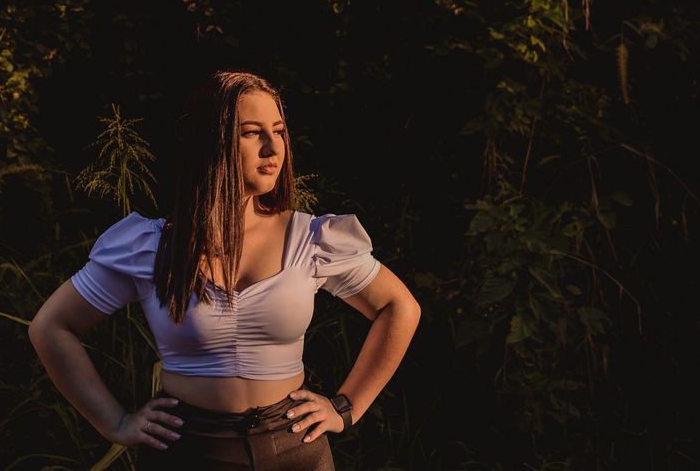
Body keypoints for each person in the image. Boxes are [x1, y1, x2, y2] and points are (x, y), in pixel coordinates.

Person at [28, 70, 422, 470]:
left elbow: (399, 307)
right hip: (188, 451)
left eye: (279, 130)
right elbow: (51, 328)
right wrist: (115, 423)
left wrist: (345, 406)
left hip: (294, 447)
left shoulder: (312, 239)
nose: (273, 147)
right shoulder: (152, 248)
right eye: (252, 133)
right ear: (209, 143)